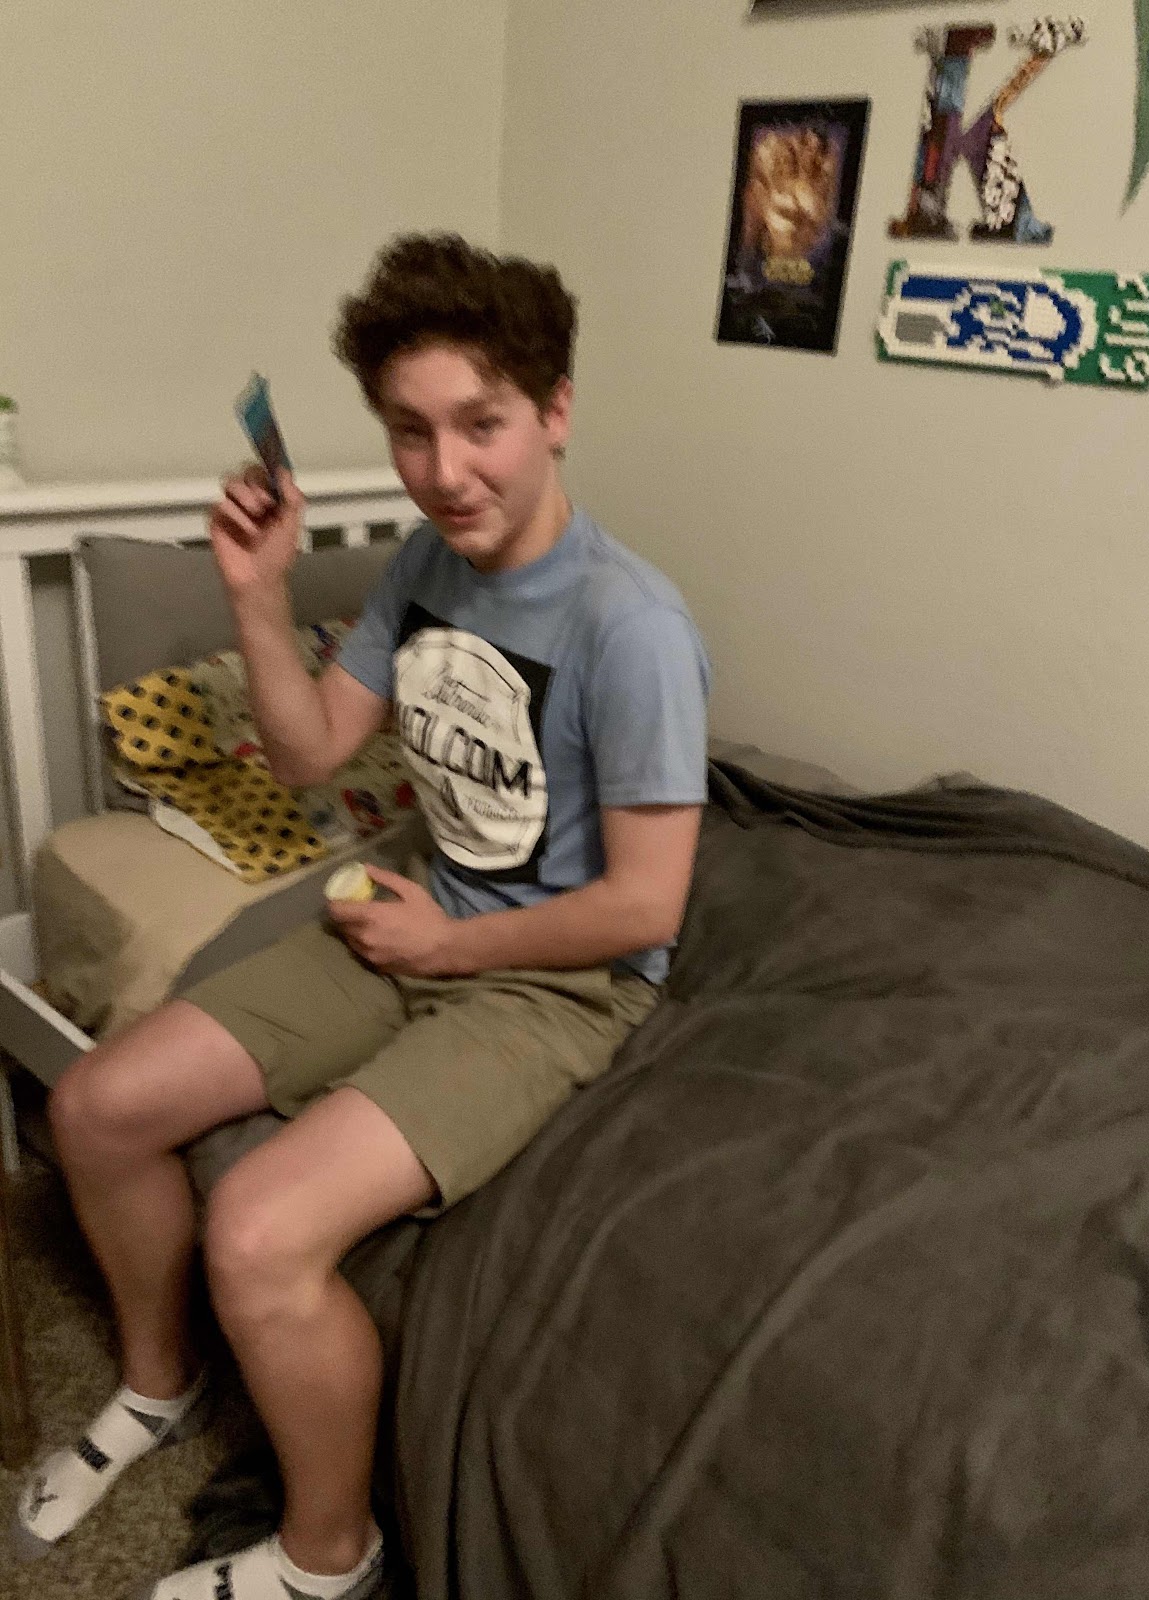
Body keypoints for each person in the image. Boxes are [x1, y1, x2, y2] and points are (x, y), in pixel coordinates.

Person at [14, 233, 710, 1599]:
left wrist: (453, 944)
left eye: (481, 424)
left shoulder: (632, 626)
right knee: (96, 1108)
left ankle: (329, 1556)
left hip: (557, 979)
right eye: (410, 431)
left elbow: (646, 904)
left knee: (259, 1233)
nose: (446, 471)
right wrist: (257, 595)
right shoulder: (421, 567)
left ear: (556, 412)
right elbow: (309, 754)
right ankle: (157, 1385)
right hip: (418, 909)